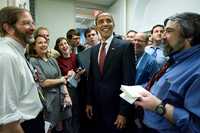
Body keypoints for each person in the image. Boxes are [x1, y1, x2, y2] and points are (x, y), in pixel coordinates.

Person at [135, 12, 200, 133]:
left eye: (168, 31)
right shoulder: (175, 58)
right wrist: (139, 90)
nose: (162, 36)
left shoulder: (197, 69)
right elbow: (164, 86)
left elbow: (195, 127)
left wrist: (158, 107)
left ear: (189, 36)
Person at [86, 12, 135, 133]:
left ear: (114, 24)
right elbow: (91, 78)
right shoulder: (94, 50)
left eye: (108, 20)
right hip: (97, 109)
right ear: (96, 26)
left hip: (116, 110)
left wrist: (123, 113)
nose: (105, 24)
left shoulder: (125, 46)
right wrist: (89, 102)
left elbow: (129, 82)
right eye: (100, 22)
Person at [0, 6, 42, 133]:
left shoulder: (18, 52)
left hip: (33, 121)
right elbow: (7, 119)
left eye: (32, 23)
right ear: (8, 28)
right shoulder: (6, 56)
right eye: (26, 23)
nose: (33, 28)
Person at [29, 35, 73, 133]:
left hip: (60, 97)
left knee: (60, 127)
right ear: (34, 46)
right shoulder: (33, 61)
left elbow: (61, 77)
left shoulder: (52, 60)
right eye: (40, 43)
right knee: (48, 128)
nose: (43, 44)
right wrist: (61, 80)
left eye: (45, 42)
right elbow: (43, 82)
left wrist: (67, 95)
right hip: (48, 100)